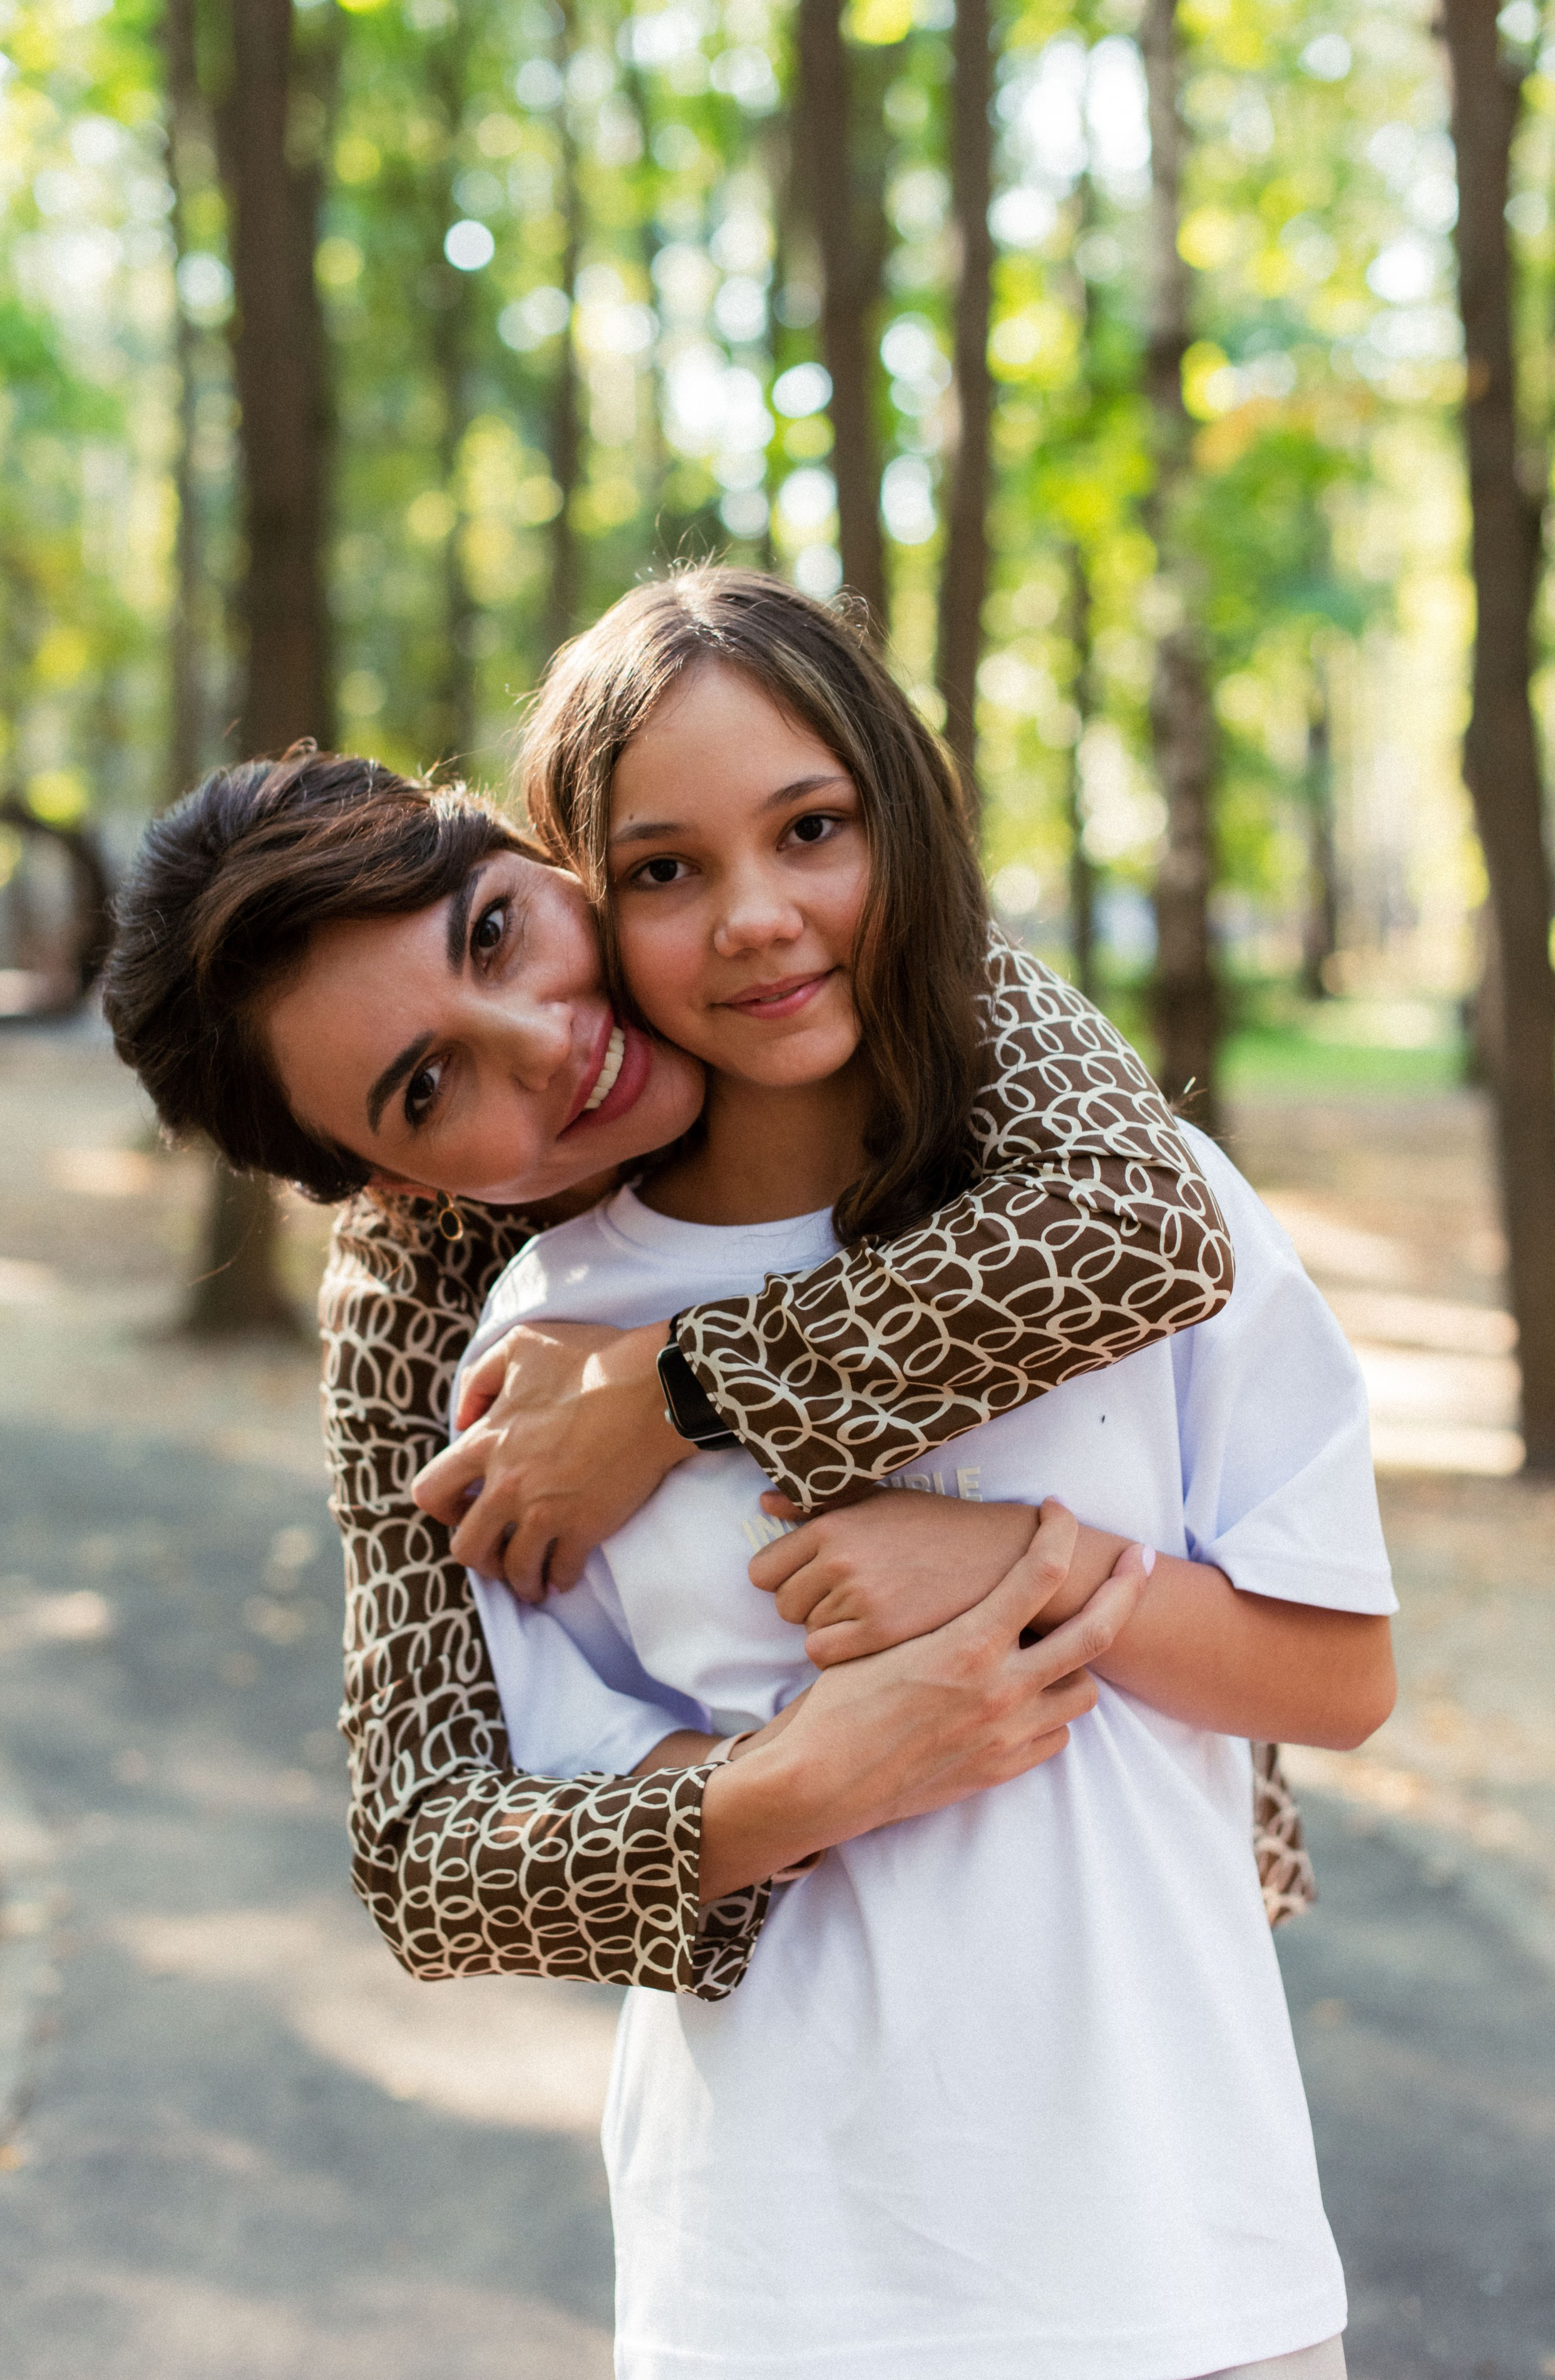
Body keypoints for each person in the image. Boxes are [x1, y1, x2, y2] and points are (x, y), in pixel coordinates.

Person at [421, 568, 1395, 2380]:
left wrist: (1015, 1561)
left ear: (901, 810)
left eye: (812, 827)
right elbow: (555, 1806)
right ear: (588, 910)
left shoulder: (1138, 1211)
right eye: (663, 869)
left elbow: (1337, 1675)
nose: (760, 918)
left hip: (1176, 2244)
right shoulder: (552, 1329)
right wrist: (826, 1758)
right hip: (779, 2273)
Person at [100, 684, 1283, 1995]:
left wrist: (670, 1389)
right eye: (427, 1088)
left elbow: (1140, 1224)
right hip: (816, 2034)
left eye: (495, 931)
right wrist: (797, 1783)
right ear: (388, 1183)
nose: (547, 1043)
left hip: (1164, 1899)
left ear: (530, 848)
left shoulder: (808, 950)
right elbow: (424, 1859)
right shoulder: (418, 1301)